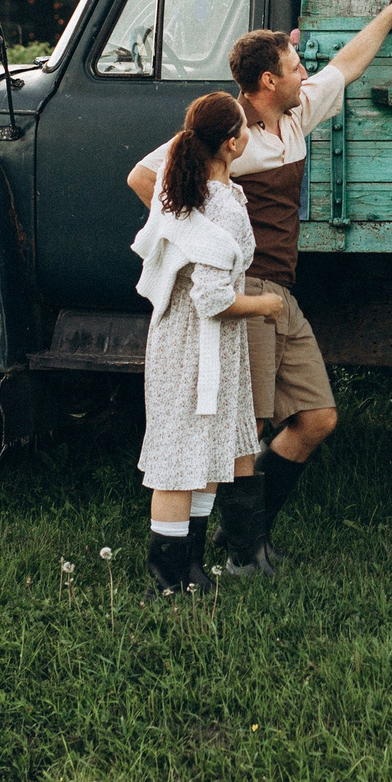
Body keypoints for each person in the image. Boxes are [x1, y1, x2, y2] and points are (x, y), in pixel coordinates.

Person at [127, 0, 392, 576]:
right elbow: (145, 177)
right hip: (243, 290)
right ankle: (245, 553)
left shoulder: (295, 117)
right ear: (268, 80)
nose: (304, 73)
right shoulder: (227, 134)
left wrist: (391, 13)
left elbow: (346, 65)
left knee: (317, 417)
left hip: (281, 291)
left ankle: (242, 540)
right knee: (251, 425)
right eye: (295, 67)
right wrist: (203, 246)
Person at [130, 91, 276, 597]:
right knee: (177, 457)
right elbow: (214, 299)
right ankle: (166, 578)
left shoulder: (182, 192)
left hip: (183, 338)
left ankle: (190, 566)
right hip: (199, 343)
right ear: (233, 143)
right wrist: (264, 306)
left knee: (202, 449)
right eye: (245, 129)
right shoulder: (221, 208)